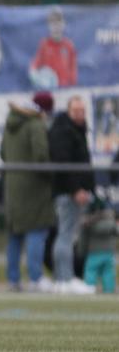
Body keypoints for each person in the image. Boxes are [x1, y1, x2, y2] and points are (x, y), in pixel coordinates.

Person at [0, 91, 55, 292]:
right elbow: (41, 156)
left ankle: (13, 279)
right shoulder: (35, 124)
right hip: (34, 187)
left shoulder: (10, 124)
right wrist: (53, 176)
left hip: (12, 185)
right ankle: (35, 278)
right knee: (36, 230)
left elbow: (2, 153)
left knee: (15, 234)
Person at [49, 95, 96, 294]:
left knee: (66, 234)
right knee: (65, 235)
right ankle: (65, 278)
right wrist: (76, 189)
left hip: (73, 191)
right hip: (68, 192)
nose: (80, 114)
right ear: (68, 111)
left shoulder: (77, 130)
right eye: (76, 110)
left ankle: (62, 279)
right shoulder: (64, 131)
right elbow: (64, 164)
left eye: (82, 111)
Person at [29, 7, 77, 89]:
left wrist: (72, 88)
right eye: (53, 23)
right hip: (49, 91)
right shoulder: (44, 45)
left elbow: (73, 73)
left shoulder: (69, 46)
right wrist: (33, 73)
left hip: (65, 90)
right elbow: (35, 64)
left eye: (58, 22)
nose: (56, 27)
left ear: (63, 24)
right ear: (49, 26)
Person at [78, 198, 117, 294]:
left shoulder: (88, 224)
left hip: (94, 253)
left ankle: (89, 288)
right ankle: (109, 290)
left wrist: (81, 252)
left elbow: (83, 240)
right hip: (109, 253)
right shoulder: (111, 222)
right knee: (108, 273)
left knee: (91, 271)